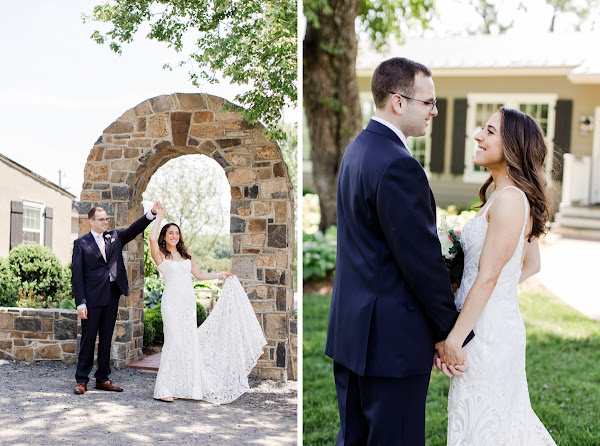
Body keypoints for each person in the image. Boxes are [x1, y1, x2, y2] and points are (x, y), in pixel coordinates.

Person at [324, 57, 473, 445]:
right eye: (429, 102)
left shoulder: (358, 150)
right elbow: (420, 261)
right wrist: (448, 332)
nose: (435, 111)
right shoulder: (397, 165)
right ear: (399, 101)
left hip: (353, 335)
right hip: (392, 344)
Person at [436, 108, 556, 445]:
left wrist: (454, 340)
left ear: (514, 146)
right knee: (489, 421)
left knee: (488, 425)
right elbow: (530, 264)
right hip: (490, 322)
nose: (478, 135)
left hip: (486, 335)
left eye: (489, 131)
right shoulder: (504, 198)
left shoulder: (510, 200)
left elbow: (489, 277)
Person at [149, 203, 267, 403]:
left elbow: (200, 274)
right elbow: (151, 238)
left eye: (177, 233)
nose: (174, 236)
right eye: (170, 233)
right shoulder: (161, 255)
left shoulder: (187, 255)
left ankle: (184, 386)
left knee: (187, 343)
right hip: (171, 304)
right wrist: (159, 215)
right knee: (174, 341)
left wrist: (221, 274)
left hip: (187, 303)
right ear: (164, 236)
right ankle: (164, 388)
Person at [72, 202, 160, 394]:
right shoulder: (81, 244)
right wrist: (80, 302)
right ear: (91, 221)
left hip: (112, 295)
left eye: (106, 219)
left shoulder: (115, 237)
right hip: (92, 298)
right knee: (88, 339)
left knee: (106, 338)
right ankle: (81, 380)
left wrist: (151, 214)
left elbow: (133, 229)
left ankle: (103, 378)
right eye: (101, 219)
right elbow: (76, 276)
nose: (105, 222)